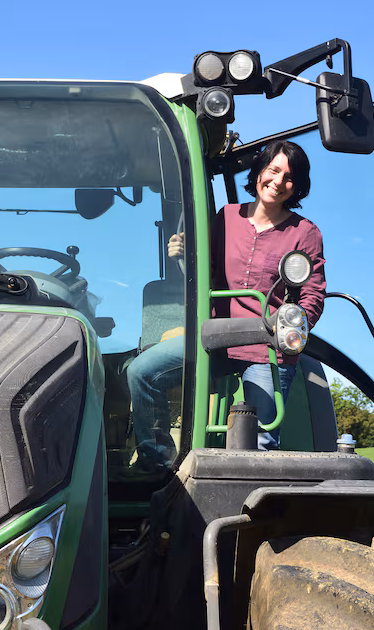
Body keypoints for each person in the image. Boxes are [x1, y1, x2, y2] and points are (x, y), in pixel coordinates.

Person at [126, 140, 325, 468]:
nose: (278, 181)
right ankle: (159, 464)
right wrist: (183, 254)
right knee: (142, 372)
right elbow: (206, 272)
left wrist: (291, 330)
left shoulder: (304, 232)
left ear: (298, 186)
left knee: (260, 442)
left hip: (266, 345)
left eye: (289, 177)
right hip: (217, 336)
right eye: (273, 170)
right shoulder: (226, 217)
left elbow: (312, 295)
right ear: (259, 171)